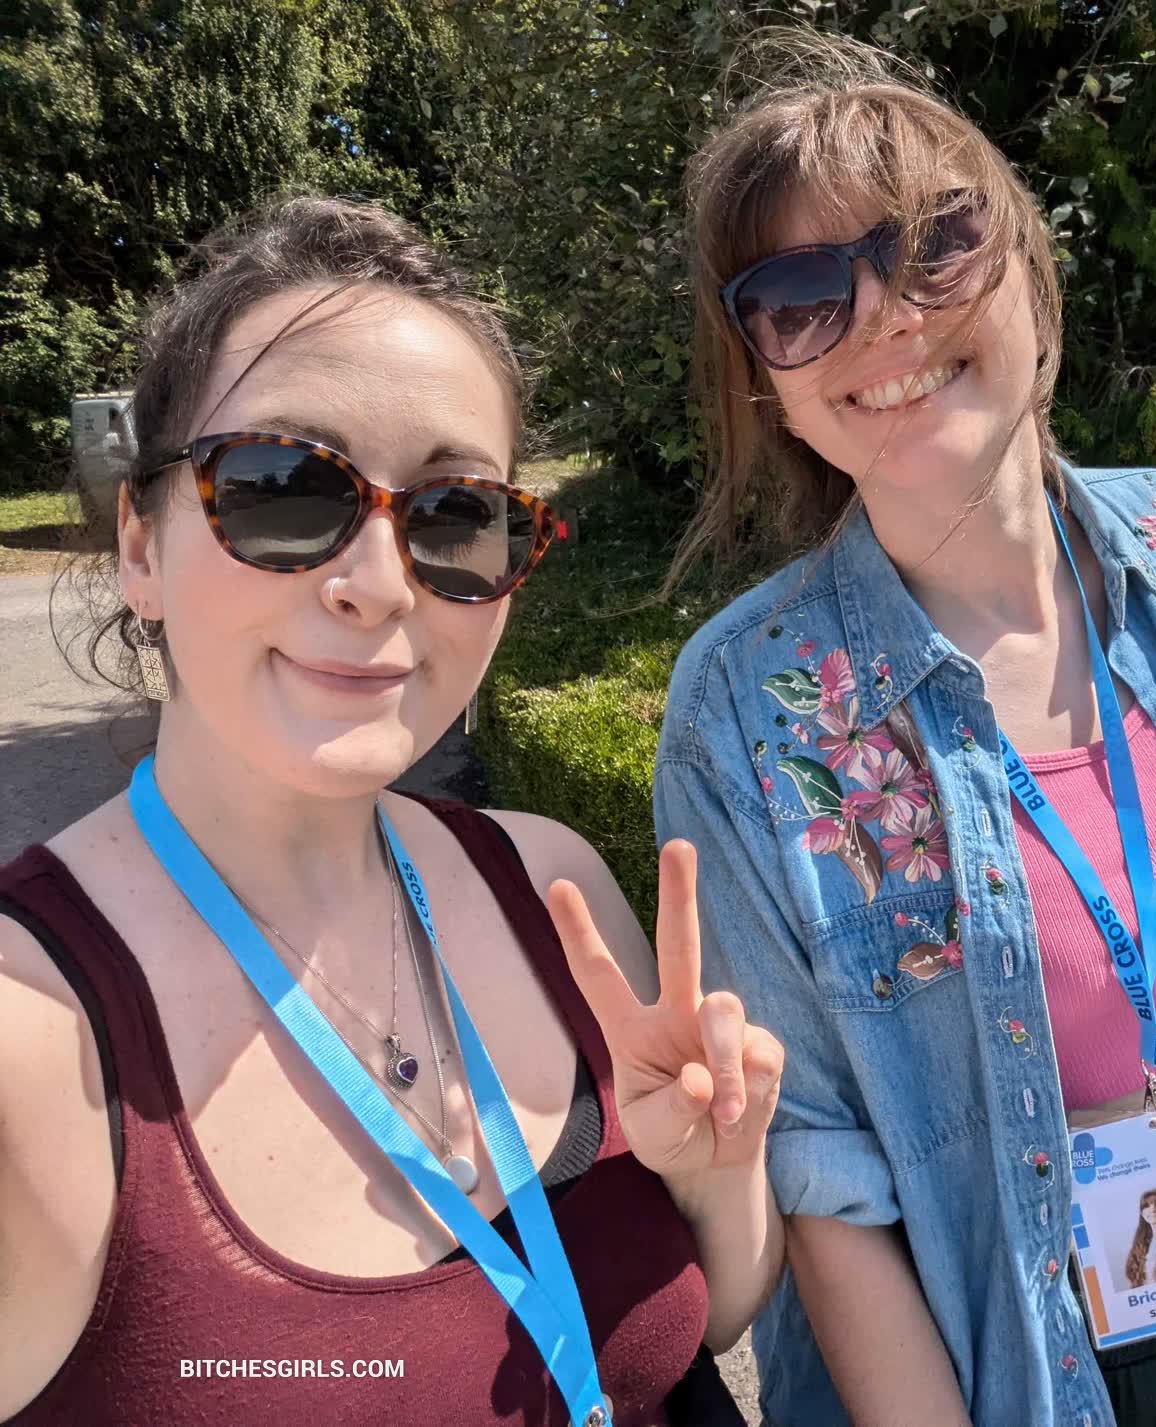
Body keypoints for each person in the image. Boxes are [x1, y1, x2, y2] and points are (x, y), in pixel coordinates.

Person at [652, 30, 1156, 1427]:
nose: (882, 317)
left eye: (933, 244)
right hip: (978, 1368)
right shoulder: (746, 701)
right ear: (768, 373)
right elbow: (821, 1168)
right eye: (799, 297)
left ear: (1028, 261)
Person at [0, 197, 783, 1426]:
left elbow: (694, 1333)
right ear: (140, 547)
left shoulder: (550, 884)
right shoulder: (28, 1043)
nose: (378, 585)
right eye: (280, 488)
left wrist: (717, 1175)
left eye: (456, 514)